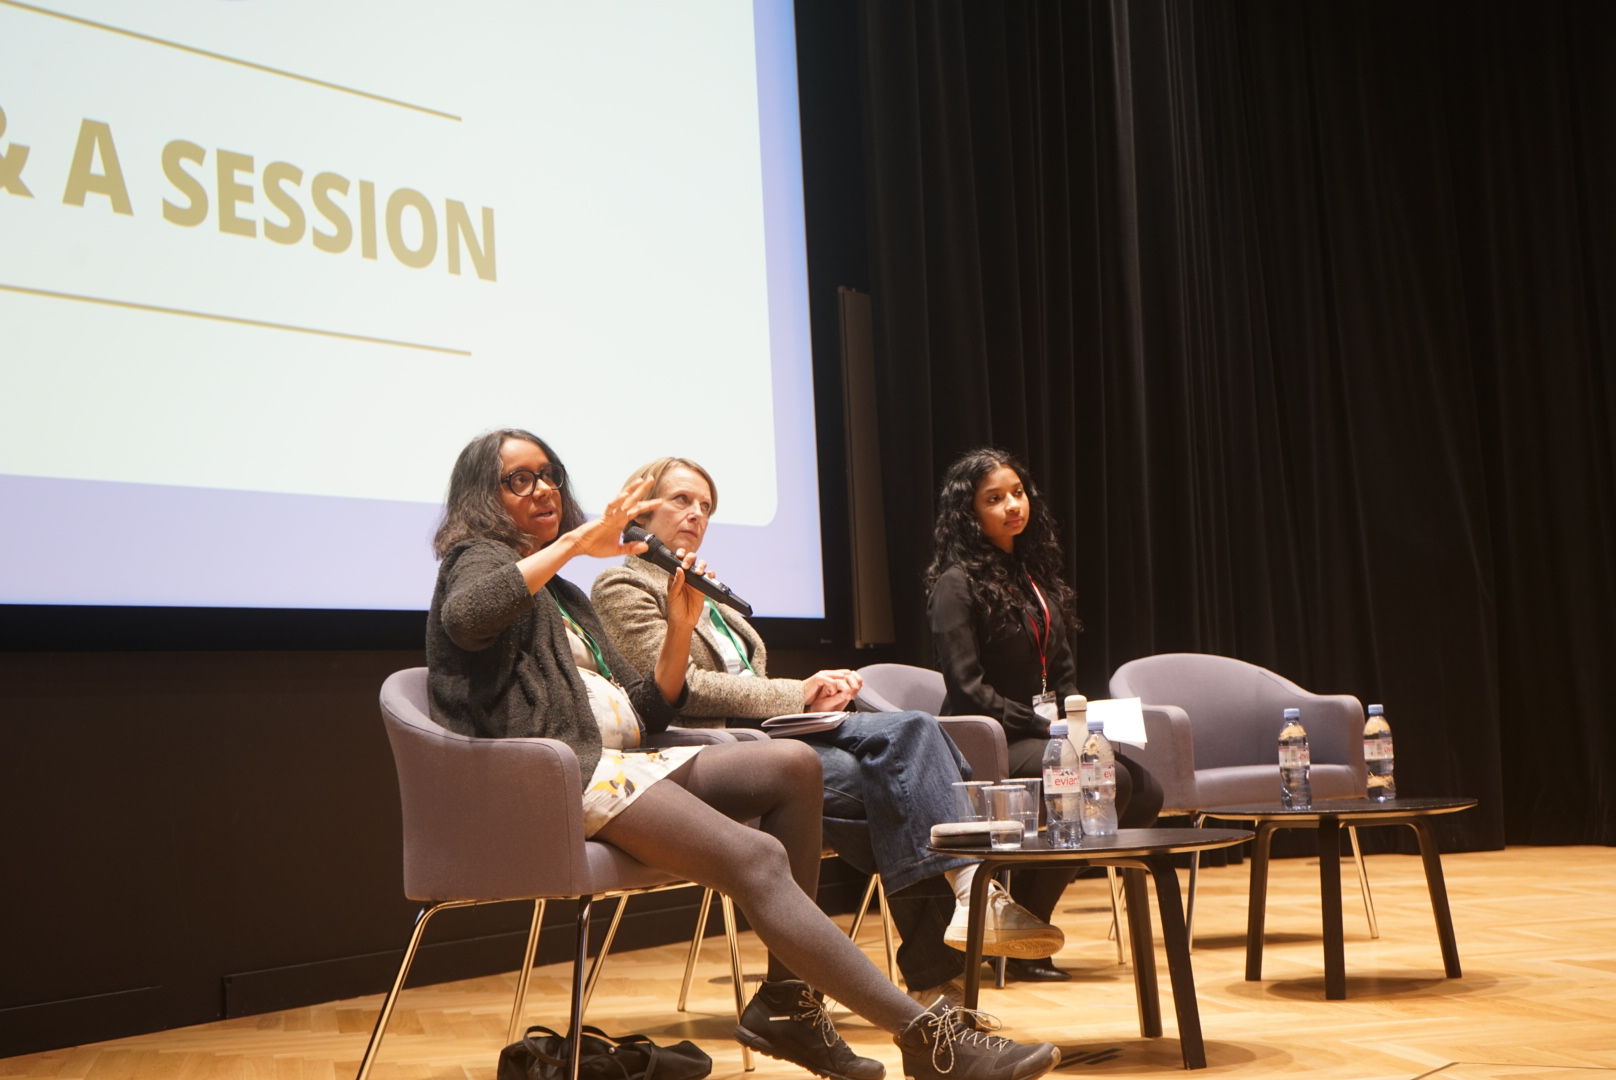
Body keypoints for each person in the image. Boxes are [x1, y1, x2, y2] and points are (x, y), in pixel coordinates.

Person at [427, 430, 1059, 1080]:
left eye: (549, 475)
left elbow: (647, 708)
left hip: (622, 761)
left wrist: (680, 626)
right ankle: (927, 1037)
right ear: (483, 496)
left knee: (792, 767)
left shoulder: (565, 596)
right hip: (563, 778)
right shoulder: (476, 558)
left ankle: (788, 1001)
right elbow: (466, 617)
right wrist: (574, 544)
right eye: (520, 479)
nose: (543, 490)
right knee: (759, 856)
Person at [591, 457, 1064, 1008]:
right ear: (641, 510)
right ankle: (960, 930)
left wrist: (813, 701)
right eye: (682, 500)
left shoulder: (706, 589)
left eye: (706, 506)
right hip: (720, 751)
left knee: (916, 732)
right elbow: (680, 690)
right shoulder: (623, 584)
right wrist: (798, 691)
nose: (697, 514)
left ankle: (953, 940)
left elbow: (747, 682)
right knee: (906, 793)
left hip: (776, 732)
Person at [926, 447, 1164, 983]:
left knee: (1144, 790)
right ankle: (1024, 939)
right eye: (994, 499)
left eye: (1017, 493)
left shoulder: (1034, 578)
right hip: (984, 741)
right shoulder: (955, 585)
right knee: (1105, 783)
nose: (1013, 505)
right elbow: (967, 689)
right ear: (970, 513)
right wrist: (1048, 729)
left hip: (1043, 734)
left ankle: (1024, 919)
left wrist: (1083, 725)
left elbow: (1062, 678)